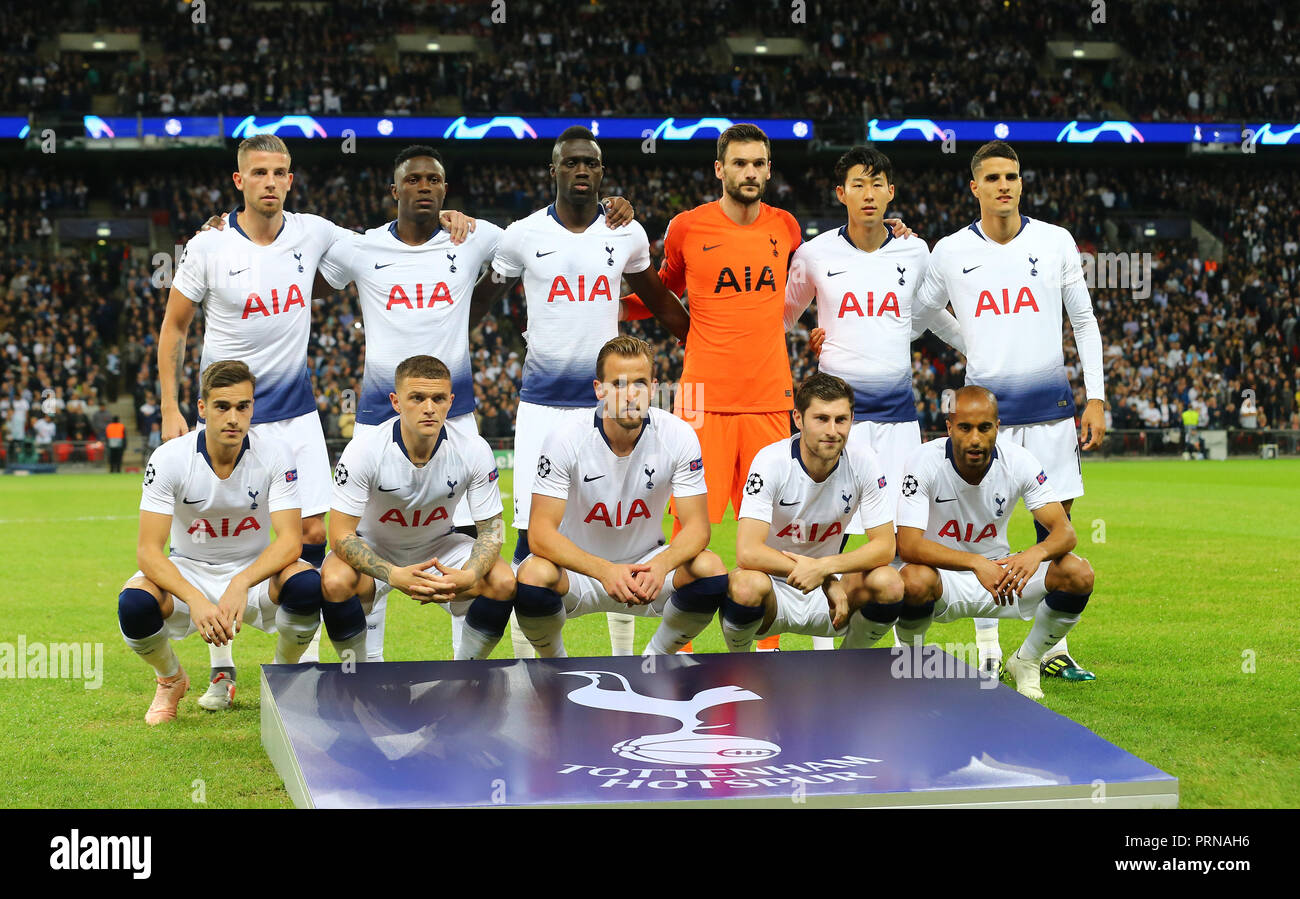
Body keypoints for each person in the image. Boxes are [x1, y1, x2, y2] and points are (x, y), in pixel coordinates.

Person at [160, 134, 472, 700]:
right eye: (259, 173)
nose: (271, 182)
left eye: (280, 172)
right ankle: (222, 668)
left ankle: (292, 665)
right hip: (231, 416)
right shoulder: (206, 248)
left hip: (297, 416)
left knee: (307, 536)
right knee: (215, 535)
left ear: (291, 179)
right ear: (239, 182)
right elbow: (174, 327)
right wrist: (169, 406)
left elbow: (388, 244)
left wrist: (438, 213)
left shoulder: (313, 232)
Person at [645, 125, 910, 652]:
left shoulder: (786, 228)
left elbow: (813, 282)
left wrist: (891, 232)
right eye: (739, 163)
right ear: (719, 169)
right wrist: (688, 331)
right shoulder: (686, 227)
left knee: (779, 526)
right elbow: (659, 287)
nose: (750, 172)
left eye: (759, 164)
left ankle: (767, 647)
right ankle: (678, 650)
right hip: (702, 401)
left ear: (768, 170)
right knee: (688, 531)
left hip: (771, 397)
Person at [469, 126, 690, 657]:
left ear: (602, 172)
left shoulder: (626, 233)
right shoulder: (521, 235)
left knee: (627, 523)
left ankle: (626, 650)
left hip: (608, 405)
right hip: (542, 406)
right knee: (530, 533)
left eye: (590, 163)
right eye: (570, 163)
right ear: (554, 171)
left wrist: (710, 342)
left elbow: (659, 302)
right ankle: (539, 659)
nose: (581, 170)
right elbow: (478, 304)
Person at [913, 140, 1105, 681]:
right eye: (993, 177)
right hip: (985, 423)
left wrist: (1096, 397)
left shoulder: (1055, 240)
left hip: (1051, 415)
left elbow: (1084, 324)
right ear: (974, 187)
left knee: (1057, 537)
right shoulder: (950, 251)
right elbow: (922, 313)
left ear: (1022, 183)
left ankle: (1042, 651)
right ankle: (989, 643)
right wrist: (969, 340)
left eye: (1013, 176)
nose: (1005, 185)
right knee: (980, 530)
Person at [115, 361, 327, 724]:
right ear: (202, 408)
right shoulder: (169, 459)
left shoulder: (276, 453)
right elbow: (148, 551)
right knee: (134, 604)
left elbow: (291, 541)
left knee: (307, 584)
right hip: (189, 571)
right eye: (222, 407)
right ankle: (170, 679)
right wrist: (195, 598)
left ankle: (283, 677)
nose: (233, 418)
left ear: (252, 408)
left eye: (243, 407)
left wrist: (241, 581)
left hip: (254, 572)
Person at [786, 146, 965, 530]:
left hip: (897, 417)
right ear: (841, 193)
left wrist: (977, 348)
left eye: (876, 185)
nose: (868, 194)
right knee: (831, 531)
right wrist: (806, 336)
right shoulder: (813, 253)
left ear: (891, 192)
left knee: (904, 533)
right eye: (858, 184)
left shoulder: (915, 251)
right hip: (836, 418)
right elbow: (783, 316)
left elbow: (927, 316)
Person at [513, 336, 727, 657]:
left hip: (646, 569)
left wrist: (659, 565)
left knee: (710, 568)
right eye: (618, 384)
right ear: (599, 389)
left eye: (640, 383)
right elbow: (540, 536)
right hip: (580, 573)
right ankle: (554, 664)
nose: (630, 395)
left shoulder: (678, 435)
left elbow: (697, 527)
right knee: (532, 574)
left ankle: (655, 657)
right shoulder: (565, 438)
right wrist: (604, 571)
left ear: (653, 388)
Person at [894, 387, 1096, 701]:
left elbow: (1065, 533)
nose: (975, 438)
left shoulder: (1019, 461)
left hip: (1001, 578)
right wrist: (976, 563)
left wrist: (1036, 553)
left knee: (1078, 574)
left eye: (984, 428)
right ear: (949, 427)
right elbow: (908, 545)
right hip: (941, 579)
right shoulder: (923, 461)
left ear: (997, 427)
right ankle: (910, 658)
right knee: (912, 580)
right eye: (965, 428)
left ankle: (1026, 661)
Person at [321, 355, 516, 661]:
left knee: (503, 581)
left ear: (450, 401)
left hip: (439, 546)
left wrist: (470, 574)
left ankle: (467, 668)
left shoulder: (473, 449)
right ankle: (357, 672)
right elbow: (340, 535)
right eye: (417, 398)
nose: (429, 408)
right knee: (334, 580)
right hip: (376, 546)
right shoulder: (364, 449)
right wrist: (393, 575)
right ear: (396, 402)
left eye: (438, 398)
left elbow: (492, 530)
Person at [724, 373, 903, 652]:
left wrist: (824, 570)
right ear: (798, 419)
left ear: (852, 419)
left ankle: (849, 664)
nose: (833, 430)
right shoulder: (771, 461)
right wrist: (821, 574)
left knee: (890, 583)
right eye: (821, 419)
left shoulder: (864, 461)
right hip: (773, 590)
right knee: (745, 586)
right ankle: (740, 665)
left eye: (841, 419)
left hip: (832, 596)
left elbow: (885, 547)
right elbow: (747, 552)